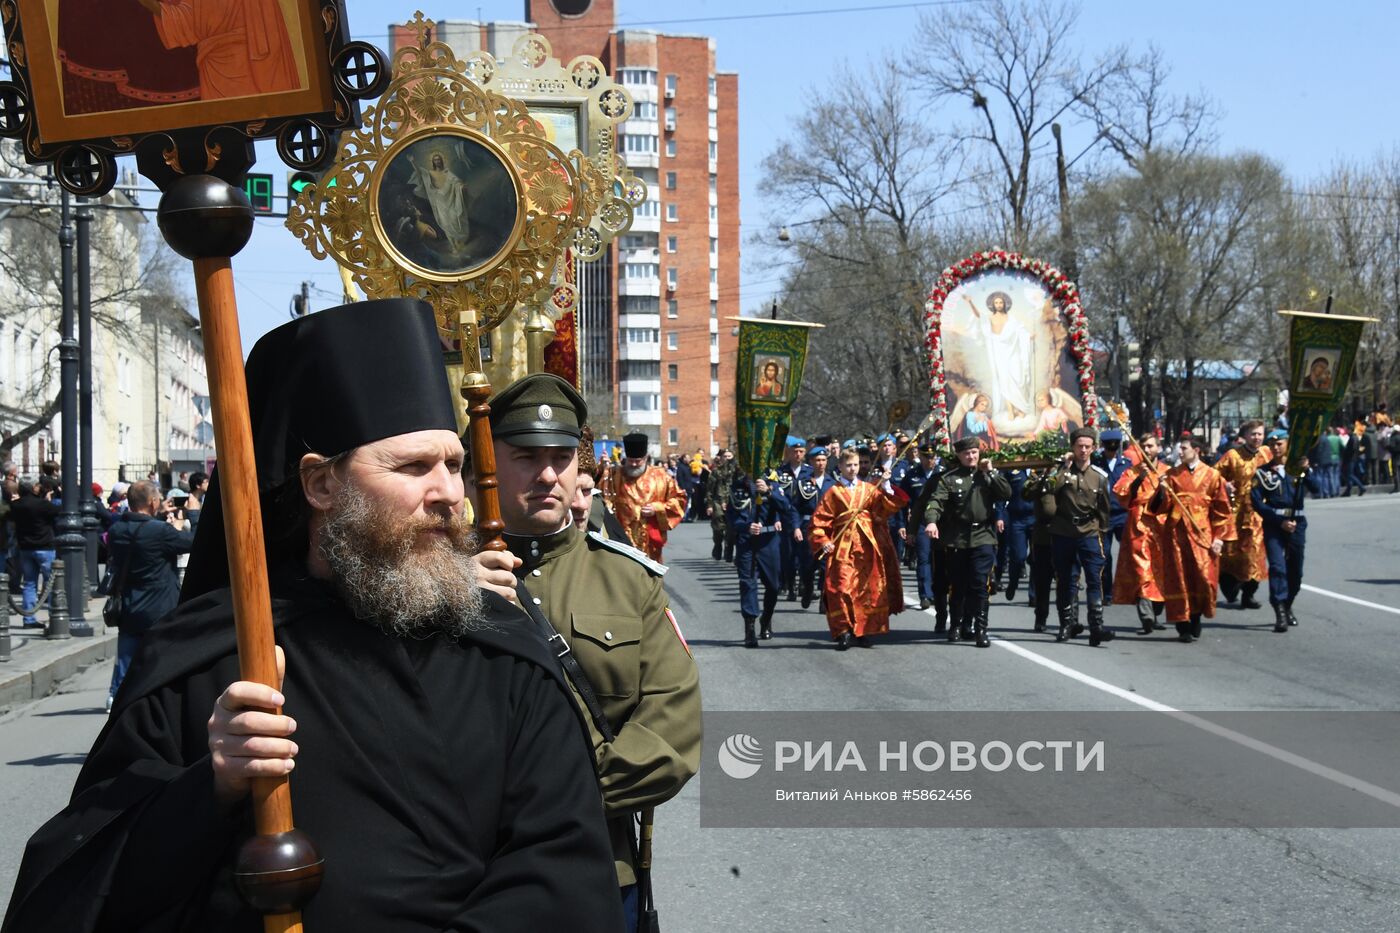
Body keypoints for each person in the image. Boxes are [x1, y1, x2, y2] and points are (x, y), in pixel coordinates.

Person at [1, 300, 623, 932]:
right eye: (413, 467)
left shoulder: (504, 647)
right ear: (322, 485)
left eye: (454, 465)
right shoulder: (217, 654)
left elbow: (562, 873)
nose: (449, 495)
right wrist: (208, 788)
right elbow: (83, 884)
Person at [467, 372, 701, 925]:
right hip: (470, 871)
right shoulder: (438, 577)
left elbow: (672, 726)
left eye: (563, 456)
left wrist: (558, 806)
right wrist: (454, 596)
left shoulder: (628, 581)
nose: (548, 474)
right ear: (488, 460)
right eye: (526, 455)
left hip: (598, 864)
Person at [103, 480, 195, 711]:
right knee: (161, 658)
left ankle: (116, 697)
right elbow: (192, 542)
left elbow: (140, 532)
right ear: (153, 502)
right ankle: (158, 701)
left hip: (129, 604)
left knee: (125, 657)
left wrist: (158, 515)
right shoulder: (160, 532)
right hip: (159, 605)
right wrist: (192, 515)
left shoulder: (116, 531)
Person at [809, 449, 908, 650]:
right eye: (848, 465)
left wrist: (886, 483)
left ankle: (861, 630)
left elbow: (886, 508)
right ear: (840, 467)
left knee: (865, 589)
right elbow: (818, 522)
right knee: (841, 588)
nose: (852, 469)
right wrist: (823, 541)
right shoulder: (833, 492)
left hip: (867, 547)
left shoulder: (869, 489)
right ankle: (843, 630)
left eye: (855, 465)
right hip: (843, 549)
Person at [1030, 428, 1115, 646]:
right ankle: (1066, 625)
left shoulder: (1099, 477)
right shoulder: (1061, 473)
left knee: (1095, 579)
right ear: (1072, 448)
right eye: (1079, 446)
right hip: (1063, 532)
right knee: (1066, 580)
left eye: (1087, 446)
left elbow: (1104, 510)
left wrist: (1102, 534)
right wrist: (1063, 469)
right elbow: (1047, 489)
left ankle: (1096, 627)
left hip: (1089, 533)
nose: (1083, 450)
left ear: (1094, 448)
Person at [922, 437, 1011, 648]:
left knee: (980, 584)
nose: (971, 457)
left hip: (983, 536)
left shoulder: (987, 476)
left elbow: (1006, 493)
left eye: (974, 452)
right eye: (966, 453)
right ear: (959, 456)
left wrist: (991, 472)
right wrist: (931, 522)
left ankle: (981, 630)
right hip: (958, 538)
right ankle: (957, 625)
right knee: (958, 584)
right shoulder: (949, 479)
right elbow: (936, 501)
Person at [1150, 435, 1235, 643]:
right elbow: (1159, 508)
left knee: (1203, 577)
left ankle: (1196, 616)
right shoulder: (1172, 475)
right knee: (1179, 578)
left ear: (1196, 450)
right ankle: (1183, 624)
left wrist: (1219, 538)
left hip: (1202, 534)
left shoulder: (1213, 476)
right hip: (1177, 535)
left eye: (1184, 448)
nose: (1180, 452)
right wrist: (1161, 490)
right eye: (1180, 448)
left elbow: (1223, 510)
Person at [1252, 431, 1320, 632]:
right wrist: (1279, 520)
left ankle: (1288, 602)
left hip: (1297, 521)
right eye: (1271, 444)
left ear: (1288, 444)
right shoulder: (1263, 472)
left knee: (1295, 571)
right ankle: (1279, 609)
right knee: (1277, 566)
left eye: (1279, 443)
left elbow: (1317, 488)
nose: (1275, 448)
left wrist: (1307, 470)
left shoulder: (1297, 469)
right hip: (1275, 523)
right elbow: (1256, 502)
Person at [1112, 432, 1170, 635]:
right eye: (1143, 446)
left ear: (1158, 448)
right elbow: (1122, 494)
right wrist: (1140, 478)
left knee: (1161, 569)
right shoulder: (1132, 472)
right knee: (1142, 569)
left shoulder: (1167, 471)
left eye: (1151, 446)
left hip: (1162, 527)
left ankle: (1156, 611)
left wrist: (1165, 490)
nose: (1147, 450)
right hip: (1139, 526)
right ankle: (1146, 615)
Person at [730, 472, 794, 646]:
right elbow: (732, 517)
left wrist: (768, 492)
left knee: (773, 586)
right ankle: (749, 629)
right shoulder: (738, 486)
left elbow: (786, 506)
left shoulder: (772, 483)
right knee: (748, 583)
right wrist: (745, 526)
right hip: (747, 542)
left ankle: (766, 619)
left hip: (769, 542)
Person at [1215, 420, 1272, 610]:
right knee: (1231, 553)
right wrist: (1225, 484)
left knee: (1255, 554)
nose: (1256, 438)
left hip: (1258, 514)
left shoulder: (1266, 454)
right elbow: (1214, 475)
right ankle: (1230, 585)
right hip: (1235, 513)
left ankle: (1249, 593)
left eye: (1259, 434)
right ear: (1245, 436)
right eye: (1253, 434)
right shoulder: (1233, 455)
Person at [608, 432, 686, 562]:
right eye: (630, 460)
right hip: (620, 540)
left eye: (637, 461)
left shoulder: (661, 476)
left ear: (646, 458)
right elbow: (602, 496)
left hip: (650, 542)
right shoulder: (614, 475)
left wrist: (658, 508)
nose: (633, 464)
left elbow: (680, 499)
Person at [7, 475, 58, 629]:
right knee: (52, 583)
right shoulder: (42, 504)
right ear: (33, 487)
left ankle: (29, 619)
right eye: (37, 485)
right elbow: (57, 512)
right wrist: (47, 499)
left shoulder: (16, 505)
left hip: (25, 548)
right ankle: (55, 616)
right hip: (44, 547)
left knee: (30, 583)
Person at [791, 447, 834, 608]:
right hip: (808, 528)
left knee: (826, 566)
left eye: (823, 460)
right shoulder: (803, 483)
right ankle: (808, 588)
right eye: (817, 460)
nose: (821, 463)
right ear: (811, 462)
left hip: (827, 529)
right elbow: (794, 507)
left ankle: (824, 599)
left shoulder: (833, 483)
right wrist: (796, 527)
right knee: (808, 565)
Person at [900, 442, 940, 610]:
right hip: (921, 522)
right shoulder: (911, 476)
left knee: (938, 559)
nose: (930, 461)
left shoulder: (942, 474)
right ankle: (925, 595)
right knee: (923, 559)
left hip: (941, 522)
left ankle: (938, 592)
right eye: (927, 457)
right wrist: (905, 525)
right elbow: (903, 502)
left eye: (933, 457)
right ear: (920, 457)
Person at [1094, 429, 1130, 601]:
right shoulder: (1096, 463)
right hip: (1103, 515)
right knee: (1105, 555)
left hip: (1123, 514)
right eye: (1108, 447)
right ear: (1103, 446)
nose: (1111, 450)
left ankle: (1128, 590)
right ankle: (1107, 592)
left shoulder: (1127, 464)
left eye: (1114, 447)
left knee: (1128, 553)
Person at [775, 436, 811, 600]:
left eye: (801, 451)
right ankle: (790, 585)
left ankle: (803, 584)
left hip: (804, 520)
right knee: (788, 555)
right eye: (795, 451)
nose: (797, 454)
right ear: (789, 452)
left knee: (804, 555)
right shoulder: (781, 472)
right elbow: (775, 498)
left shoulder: (809, 472)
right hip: (785, 519)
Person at [705, 448, 738, 561]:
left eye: (730, 456)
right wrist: (709, 505)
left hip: (733, 503)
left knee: (731, 530)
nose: (727, 458)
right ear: (721, 458)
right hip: (718, 502)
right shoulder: (716, 471)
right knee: (718, 528)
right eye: (725, 456)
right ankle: (718, 545)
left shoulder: (737, 472)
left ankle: (728, 552)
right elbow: (709, 490)